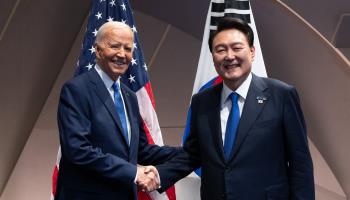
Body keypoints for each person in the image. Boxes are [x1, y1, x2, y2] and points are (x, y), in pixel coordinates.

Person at [155, 17, 315, 199]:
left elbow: (300, 164)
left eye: (237, 48)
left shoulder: (281, 95)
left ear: (252, 52)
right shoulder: (202, 101)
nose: (229, 56)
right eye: (220, 50)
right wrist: (158, 175)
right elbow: (193, 155)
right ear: (213, 56)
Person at [55, 21, 177, 200]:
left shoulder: (129, 96)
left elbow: (141, 150)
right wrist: (133, 172)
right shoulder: (76, 90)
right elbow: (77, 150)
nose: (122, 54)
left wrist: (188, 150)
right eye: (115, 46)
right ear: (97, 50)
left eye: (128, 48)